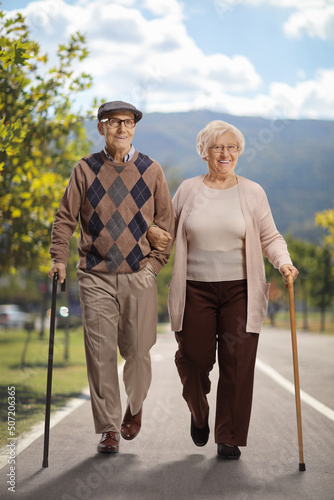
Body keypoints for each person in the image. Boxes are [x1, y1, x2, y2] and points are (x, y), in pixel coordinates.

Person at [148, 120, 298, 459]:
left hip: (240, 292)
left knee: (238, 362)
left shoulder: (252, 192)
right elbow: (167, 235)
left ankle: (228, 436)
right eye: (218, 147)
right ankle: (199, 412)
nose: (225, 153)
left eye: (231, 147)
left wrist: (283, 262)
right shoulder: (187, 190)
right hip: (194, 290)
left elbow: (269, 237)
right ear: (204, 152)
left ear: (239, 152)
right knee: (194, 360)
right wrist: (150, 265)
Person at [48, 100, 174, 454]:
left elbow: (167, 223)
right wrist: (59, 257)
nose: (122, 128)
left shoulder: (152, 170)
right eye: (113, 122)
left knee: (138, 353)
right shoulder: (84, 169)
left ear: (134, 128)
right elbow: (65, 219)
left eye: (128, 122)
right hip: (95, 275)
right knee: (100, 353)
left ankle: (134, 407)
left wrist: (153, 266)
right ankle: (109, 429)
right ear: (101, 128)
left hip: (138, 275)